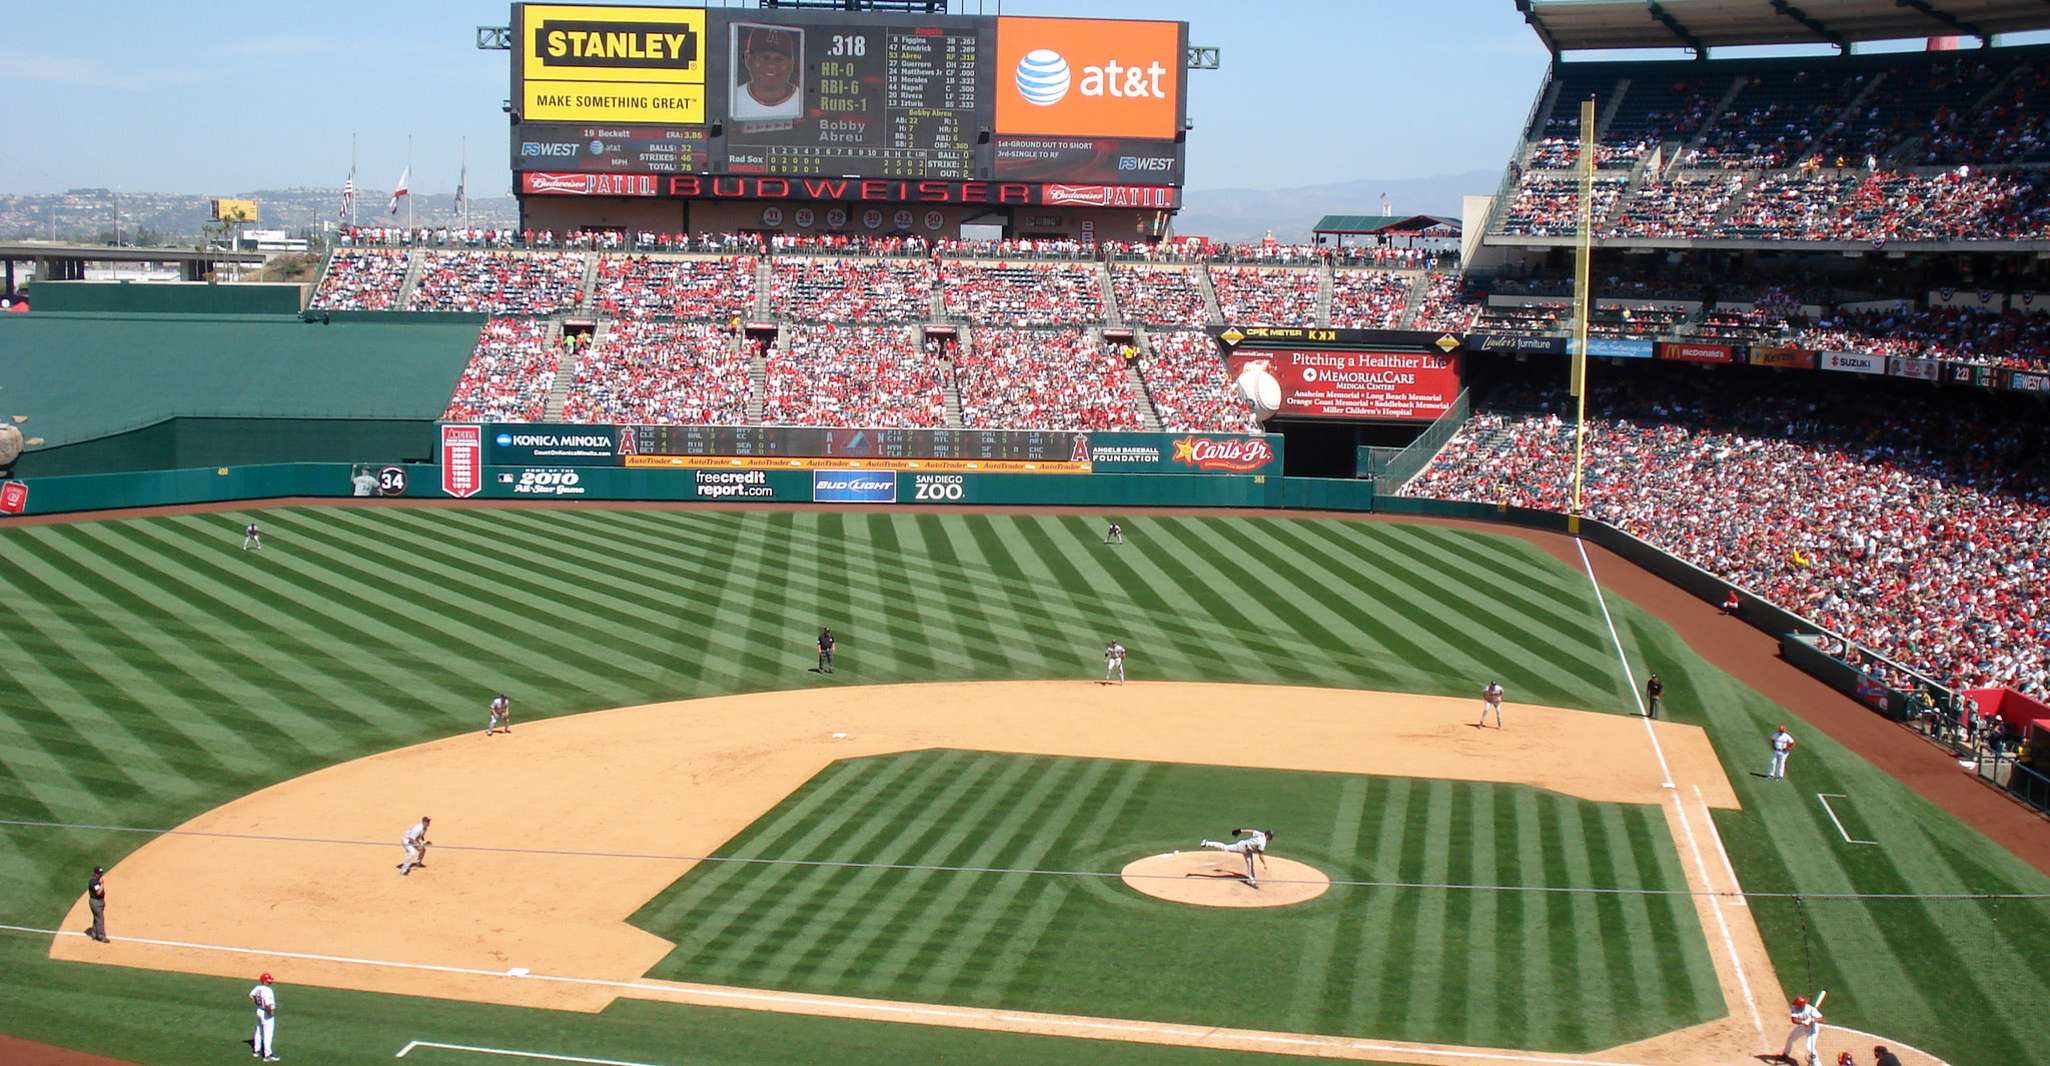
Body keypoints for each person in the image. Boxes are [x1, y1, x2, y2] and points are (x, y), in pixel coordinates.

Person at [732, 26, 802, 121]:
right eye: (764, 57)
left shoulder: (804, 102)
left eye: (779, 59)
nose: (771, 65)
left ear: (791, 64)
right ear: (748, 59)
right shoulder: (732, 100)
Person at [1198, 827, 1273, 887]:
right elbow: (1260, 855)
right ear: (1267, 836)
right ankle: (1206, 843)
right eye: (1270, 837)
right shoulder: (1262, 842)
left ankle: (1252, 881)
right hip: (1242, 847)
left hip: (1248, 851)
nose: (1269, 839)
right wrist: (1264, 864)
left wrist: (1241, 830)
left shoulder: (1261, 834)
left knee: (1250, 863)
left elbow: (1252, 831)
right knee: (1225, 848)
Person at [1781, 994, 1822, 1065]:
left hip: (1813, 1029)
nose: (1795, 1006)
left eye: (1797, 1005)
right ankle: (1785, 1054)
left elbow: (1822, 1019)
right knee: (1791, 1038)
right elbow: (1793, 1020)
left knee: (1810, 1047)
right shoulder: (1794, 1007)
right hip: (1803, 1027)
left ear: (1801, 1005)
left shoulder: (1811, 1009)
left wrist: (1813, 1019)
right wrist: (1804, 1022)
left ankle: (1817, 1063)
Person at [248, 972, 278, 1061]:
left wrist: (257, 1003)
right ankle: (267, 1055)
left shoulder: (257, 988)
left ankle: (256, 1051)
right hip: (266, 1013)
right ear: (264, 981)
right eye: (268, 981)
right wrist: (270, 1013)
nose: (270, 982)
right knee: (268, 1034)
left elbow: (251, 995)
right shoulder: (268, 990)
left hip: (259, 1010)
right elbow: (268, 1004)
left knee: (258, 1031)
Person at [85, 865, 109, 943]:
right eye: (99, 873)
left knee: (97, 917)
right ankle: (101, 936)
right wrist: (102, 884)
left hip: (98, 901)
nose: (101, 875)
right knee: (100, 919)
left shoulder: (96, 880)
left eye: (101, 873)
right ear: (95, 873)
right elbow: (98, 892)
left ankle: (94, 934)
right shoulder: (94, 882)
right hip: (96, 902)